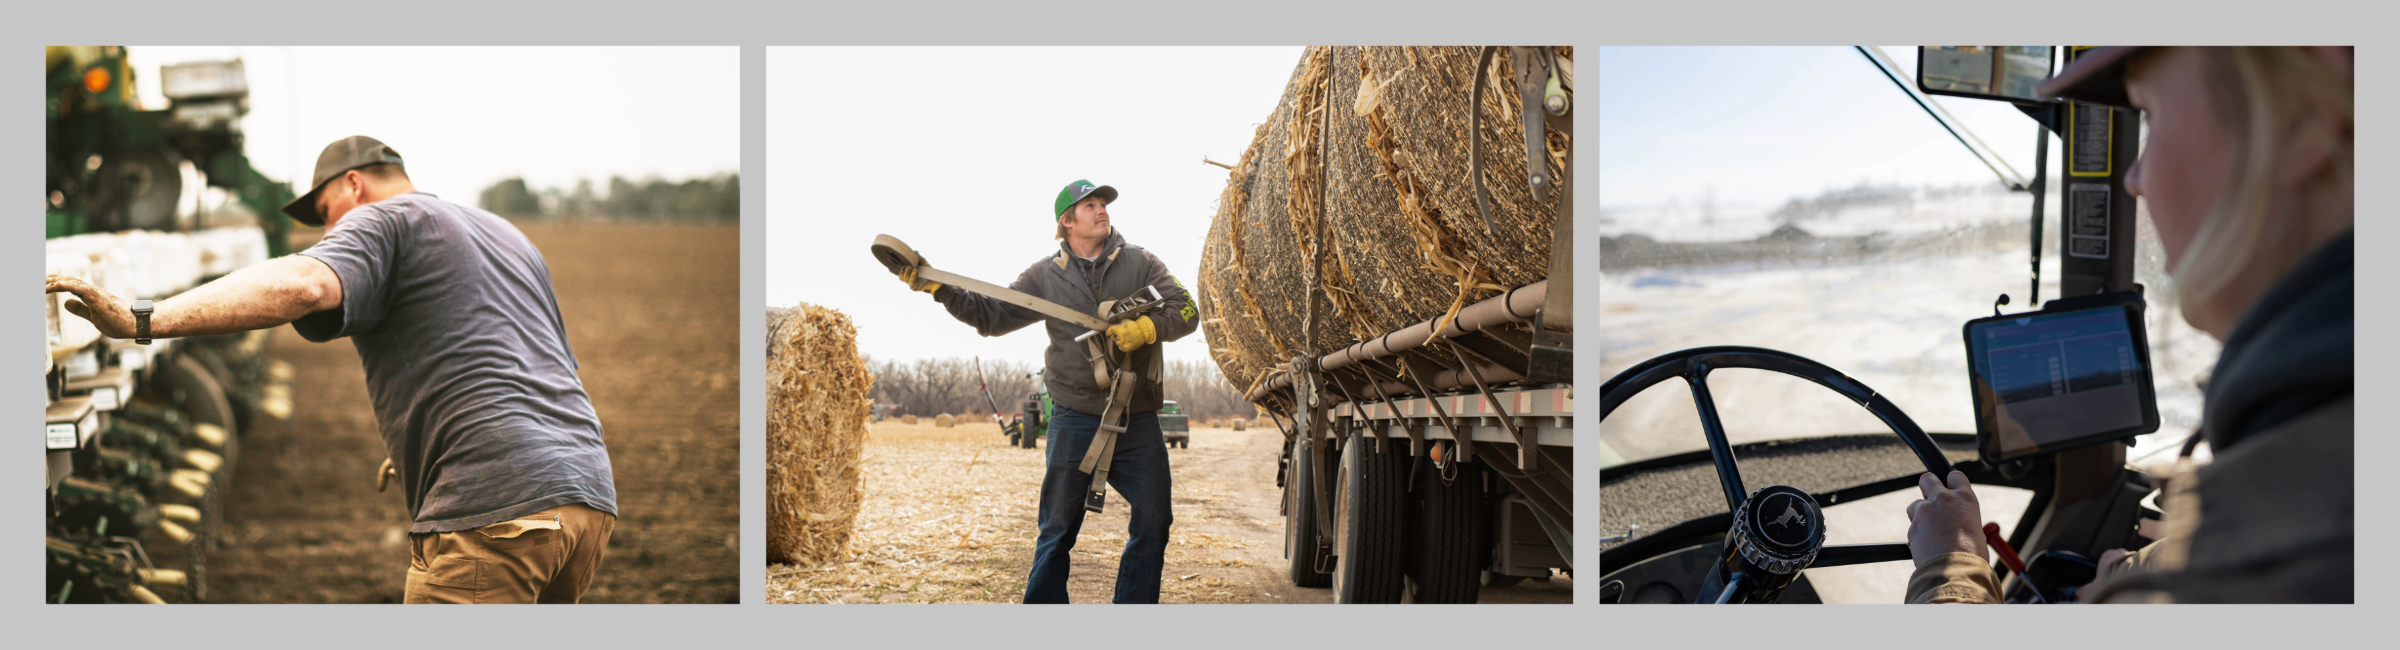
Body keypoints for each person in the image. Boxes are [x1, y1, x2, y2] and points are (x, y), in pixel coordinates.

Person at [46, 136, 619, 604]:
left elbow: (304, 283)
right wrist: (423, 440)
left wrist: (141, 320)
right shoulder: (507, 236)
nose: (329, 233)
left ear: (354, 183)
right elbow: (528, 358)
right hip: (585, 498)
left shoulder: (384, 219)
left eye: (326, 215)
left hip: (497, 505)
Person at [1906, 47, 2353, 604]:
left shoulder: (2288, 545)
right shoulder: (2316, 455)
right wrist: (2139, 571)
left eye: (2151, 116)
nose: (2134, 179)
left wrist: (1952, 563)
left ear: (2302, 115)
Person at [896, 179, 1198, 603]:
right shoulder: (1044, 275)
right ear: (1067, 221)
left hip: (1136, 417)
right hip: (1073, 416)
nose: (1101, 210)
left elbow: (1187, 310)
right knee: (1056, 529)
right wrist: (939, 289)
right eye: (1089, 205)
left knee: (1154, 520)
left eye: (1103, 203)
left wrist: (1150, 327)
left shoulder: (1142, 262)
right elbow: (992, 316)